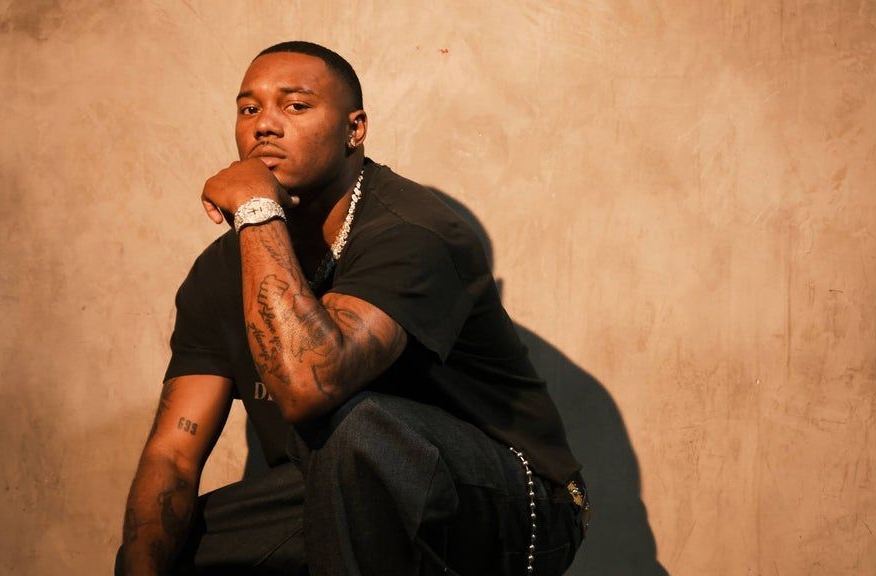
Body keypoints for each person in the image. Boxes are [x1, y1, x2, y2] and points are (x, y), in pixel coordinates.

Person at [117, 41, 589, 576]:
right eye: (249, 109)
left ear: (354, 129)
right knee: (166, 547)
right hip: (341, 489)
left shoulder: (413, 231)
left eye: (296, 105)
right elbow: (173, 455)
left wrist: (256, 209)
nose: (264, 125)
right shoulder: (221, 271)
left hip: (515, 505)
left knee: (358, 428)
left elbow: (308, 384)